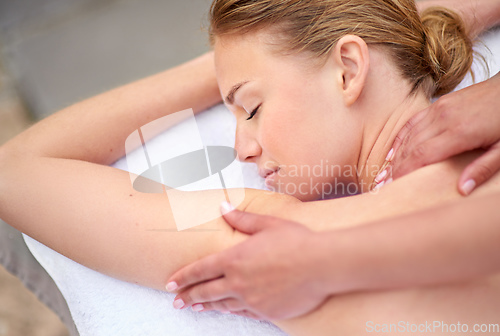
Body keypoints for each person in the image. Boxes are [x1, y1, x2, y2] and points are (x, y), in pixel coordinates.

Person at [0, 0, 499, 334]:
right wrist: (239, 65)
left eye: (252, 109)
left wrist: (216, 71)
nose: (241, 149)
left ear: (349, 69)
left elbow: (19, 170)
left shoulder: (285, 247)